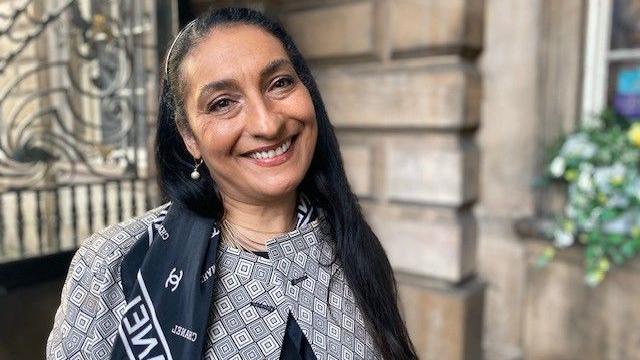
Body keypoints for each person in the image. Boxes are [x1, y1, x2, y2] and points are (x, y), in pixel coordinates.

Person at [46, 6, 418, 360]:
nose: (267, 124)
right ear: (189, 138)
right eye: (222, 103)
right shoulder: (119, 262)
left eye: (280, 83)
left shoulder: (349, 244)